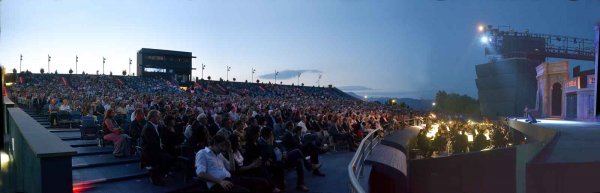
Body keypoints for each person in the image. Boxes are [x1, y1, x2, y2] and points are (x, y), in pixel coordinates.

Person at [195, 135, 270, 192]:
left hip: (230, 179)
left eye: (225, 146)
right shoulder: (202, 153)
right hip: (217, 184)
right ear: (215, 143)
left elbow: (232, 169)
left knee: (261, 182)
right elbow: (200, 174)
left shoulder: (219, 154)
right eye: (222, 145)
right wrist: (220, 181)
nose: (223, 148)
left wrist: (230, 152)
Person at [141, 110, 174, 185]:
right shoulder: (148, 128)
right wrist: (161, 148)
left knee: (170, 156)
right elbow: (152, 144)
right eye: (158, 117)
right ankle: (156, 177)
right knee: (166, 158)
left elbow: (161, 136)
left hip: (155, 150)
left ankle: (160, 175)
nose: (159, 118)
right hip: (149, 153)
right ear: (152, 118)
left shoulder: (155, 126)